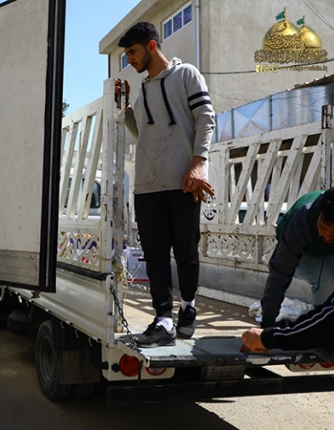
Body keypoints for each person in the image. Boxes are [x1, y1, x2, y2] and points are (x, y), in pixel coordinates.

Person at [115, 22, 215, 348]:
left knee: (186, 251)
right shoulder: (143, 90)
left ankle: (187, 306)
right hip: (147, 185)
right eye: (127, 54)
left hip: (183, 181)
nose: (129, 59)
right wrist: (125, 108)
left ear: (151, 45)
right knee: (155, 255)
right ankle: (163, 321)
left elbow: (206, 118)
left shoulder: (186, 74)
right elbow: (142, 133)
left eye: (132, 52)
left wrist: (199, 163)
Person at [259, 187, 334, 328]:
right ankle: (322, 329)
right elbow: (280, 273)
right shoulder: (300, 224)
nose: (327, 236)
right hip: (303, 251)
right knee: (329, 279)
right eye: (323, 227)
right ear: (319, 214)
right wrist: (267, 323)